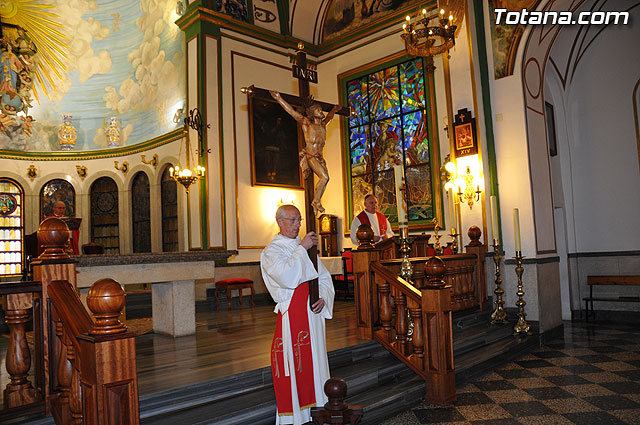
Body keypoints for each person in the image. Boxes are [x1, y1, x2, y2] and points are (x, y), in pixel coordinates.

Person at [260, 204, 335, 425]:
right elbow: (287, 277)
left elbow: (323, 278)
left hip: (312, 314)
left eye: (299, 220)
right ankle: (297, 415)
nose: (297, 225)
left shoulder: (305, 247)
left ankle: (319, 407)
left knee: (316, 361)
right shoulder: (271, 251)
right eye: (292, 220)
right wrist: (302, 249)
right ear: (279, 221)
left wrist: (323, 298)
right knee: (297, 364)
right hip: (292, 315)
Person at [270, 90, 341, 215]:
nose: (321, 111)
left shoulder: (323, 125)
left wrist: (334, 109)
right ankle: (316, 201)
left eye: (321, 110)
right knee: (325, 177)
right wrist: (279, 98)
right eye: (318, 110)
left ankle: (316, 200)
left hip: (320, 157)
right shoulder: (307, 123)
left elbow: (329, 116)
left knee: (325, 180)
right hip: (311, 156)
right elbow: (291, 112)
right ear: (312, 113)